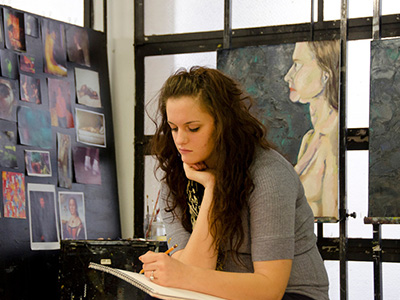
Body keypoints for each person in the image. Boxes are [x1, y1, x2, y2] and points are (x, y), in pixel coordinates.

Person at [139, 66, 329, 300]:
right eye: (173, 128)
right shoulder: (178, 177)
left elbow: (270, 288)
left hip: (291, 295)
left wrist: (180, 273)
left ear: (223, 124)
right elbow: (194, 269)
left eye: (194, 128)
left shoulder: (269, 174)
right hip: (215, 293)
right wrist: (211, 189)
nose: (181, 140)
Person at [284, 40, 340, 219]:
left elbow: (332, 216)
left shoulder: (334, 137)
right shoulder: (310, 138)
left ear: (325, 74)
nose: (288, 76)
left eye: (298, 65)